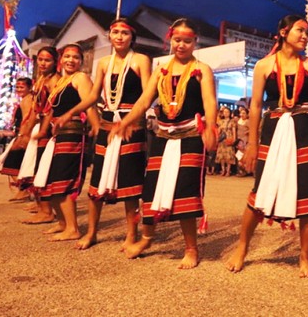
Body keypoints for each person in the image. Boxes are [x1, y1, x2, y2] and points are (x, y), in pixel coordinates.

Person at [226, 15, 308, 278]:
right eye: (300, 30)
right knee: (260, 189)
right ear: (284, 32)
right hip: (273, 128)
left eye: (307, 32)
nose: (305, 36)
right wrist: (251, 143)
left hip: (305, 129)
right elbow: (256, 106)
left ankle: (305, 257)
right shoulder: (263, 65)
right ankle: (242, 247)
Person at [110, 18, 217, 268]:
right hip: (163, 136)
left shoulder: (202, 69)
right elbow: (144, 101)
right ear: (170, 39)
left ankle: (191, 248)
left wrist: (211, 126)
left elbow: (209, 101)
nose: (181, 45)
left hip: (191, 136)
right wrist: (125, 123)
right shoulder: (161, 70)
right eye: (177, 40)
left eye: (187, 41)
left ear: (194, 42)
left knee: (185, 192)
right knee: (151, 189)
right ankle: (147, 238)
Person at [54, 19, 151, 251]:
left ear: (132, 36)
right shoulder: (104, 63)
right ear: (109, 35)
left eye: (124, 33)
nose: (119, 36)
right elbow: (94, 95)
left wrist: (128, 122)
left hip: (131, 126)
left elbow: (147, 95)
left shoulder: (140, 60)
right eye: (115, 32)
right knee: (96, 181)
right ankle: (92, 232)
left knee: (130, 184)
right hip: (108, 125)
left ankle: (131, 234)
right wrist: (71, 112)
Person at [35, 44, 99, 242]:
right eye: (68, 56)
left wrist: (95, 126)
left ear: (81, 61)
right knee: (52, 180)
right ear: (61, 60)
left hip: (73, 134)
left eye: (76, 57)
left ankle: (73, 228)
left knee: (64, 181)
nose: (71, 60)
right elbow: (52, 110)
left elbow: (89, 104)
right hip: (59, 135)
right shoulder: (62, 81)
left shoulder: (80, 78)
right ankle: (63, 223)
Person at [18, 47, 61, 224]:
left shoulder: (55, 80)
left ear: (55, 62)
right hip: (39, 124)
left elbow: (51, 108)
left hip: (47, 127)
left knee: (44, 168)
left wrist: (43, 130)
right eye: (41, 59)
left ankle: (47, 210)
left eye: (48, 60)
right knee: (36, 167)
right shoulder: (41, 79)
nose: (43, 63)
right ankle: (41, 206)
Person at [0, 77, 35, 200]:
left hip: (24, 135)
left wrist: (23, 136)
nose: (19, 89)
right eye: (17, 87)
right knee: (18, 164)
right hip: (22, 133)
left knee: (11, 163)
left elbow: (28, 119)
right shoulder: (26, 99)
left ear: (29, 87)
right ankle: (24, 190)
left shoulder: (27, 100)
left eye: (22, 87)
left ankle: (24, 190)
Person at [216, 106, 237, 176]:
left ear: (230, 113)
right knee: (222, 156)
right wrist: (220, 128)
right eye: (224, 112)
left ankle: (228, 170)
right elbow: (218, 132)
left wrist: (234, 139)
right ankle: (223, 170)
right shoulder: (220, 121)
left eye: (227, 112)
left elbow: (234, 131)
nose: (226, 113)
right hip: (222, 139)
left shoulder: (232, 121)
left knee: (229, 155)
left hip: (229, 138)